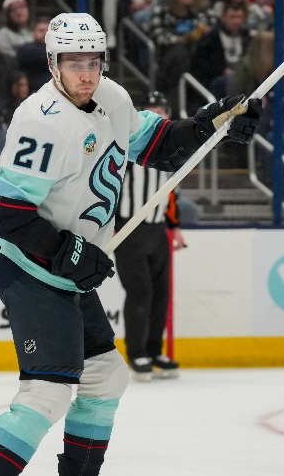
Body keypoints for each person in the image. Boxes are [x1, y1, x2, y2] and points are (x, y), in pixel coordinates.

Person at [0, 13, 262, 475]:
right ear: (52, 63)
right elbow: (5, 213)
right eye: (72, 62)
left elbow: (157, 146)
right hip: (29, 268)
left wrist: (213, 125)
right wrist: (69, 251)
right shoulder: (38, 122)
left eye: (93, 60)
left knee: (105, 378)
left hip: (63, 272)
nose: (85, 73)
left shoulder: (112, 98)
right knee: (47, 391)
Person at [114, 92, 186, 382]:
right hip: (129, 229)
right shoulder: (128, 149)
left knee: (160, 293)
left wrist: (175, 226)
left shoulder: (170, 153)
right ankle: (137, 353)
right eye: (152, 110)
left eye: (162, 109)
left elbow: (169, 195)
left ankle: (154, 350)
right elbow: (111, 188)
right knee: (140, 291)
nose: (158, 115)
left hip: (158, 231)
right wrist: (111, 225)